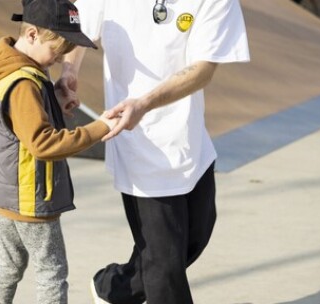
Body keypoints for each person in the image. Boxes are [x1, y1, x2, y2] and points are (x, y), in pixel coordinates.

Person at [56, 0, 250, 303]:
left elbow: (202, 70)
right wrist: (69, 71)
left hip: (190, 141)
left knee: (193, 239)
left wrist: (145, 103)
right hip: (135, 142)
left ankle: (115, 289)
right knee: (165, 267)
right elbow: (76, 28)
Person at [0, 0, 117, 303]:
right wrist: (100, 128)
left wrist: (54, 104)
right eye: (57, 50)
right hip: (28, 199)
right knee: (52, 272)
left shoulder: (3, 65)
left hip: (2, 195)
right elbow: (43, 143)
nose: (60, 57)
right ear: (33, 34)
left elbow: (15, 125)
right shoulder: (24, 82)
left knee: (8, 266)